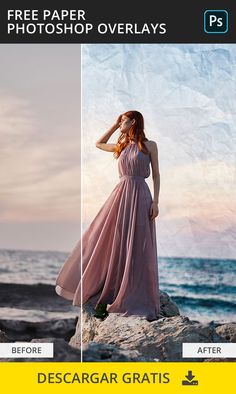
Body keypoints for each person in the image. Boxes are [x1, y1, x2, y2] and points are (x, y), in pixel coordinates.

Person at [55, 110, 161, 322]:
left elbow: (156, 174)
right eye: (120, 120)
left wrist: (156, 201)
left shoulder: (150, 146)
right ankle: (109, 288)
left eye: (124, 120)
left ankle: (133, 290)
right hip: (121, 195)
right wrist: (115, 127)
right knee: (112, 238)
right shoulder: (120, 146)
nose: (121, 123)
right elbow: (99, 143)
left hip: (141, 195)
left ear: (134, 122)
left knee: (138, 242)